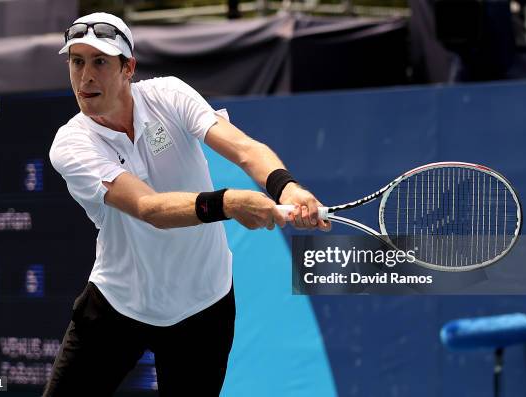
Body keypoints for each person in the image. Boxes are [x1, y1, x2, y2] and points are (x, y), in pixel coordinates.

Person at [43, 12, 331, 397]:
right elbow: (149, 209)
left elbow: (244, 149)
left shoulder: (170, 94)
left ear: (128, 68)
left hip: (203, 305)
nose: (85, 77)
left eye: (100, 62)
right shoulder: (71, 144)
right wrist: (228, 203)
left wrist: (287, 187)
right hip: (119, 303)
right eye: (76, 62)